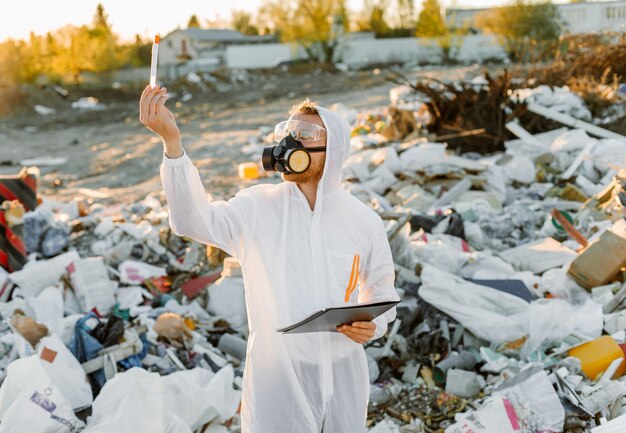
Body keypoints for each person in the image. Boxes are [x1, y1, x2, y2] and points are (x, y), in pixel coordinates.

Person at [139, 84, 400, 433]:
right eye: (287, 131)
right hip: (277, 382)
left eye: (305, 134)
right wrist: (172, 144)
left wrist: (374, 325)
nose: (291, 141)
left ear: (332, 149)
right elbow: (191, 220)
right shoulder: (257, 207)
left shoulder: (363, 221)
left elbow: (382, 295)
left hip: (343, 378)